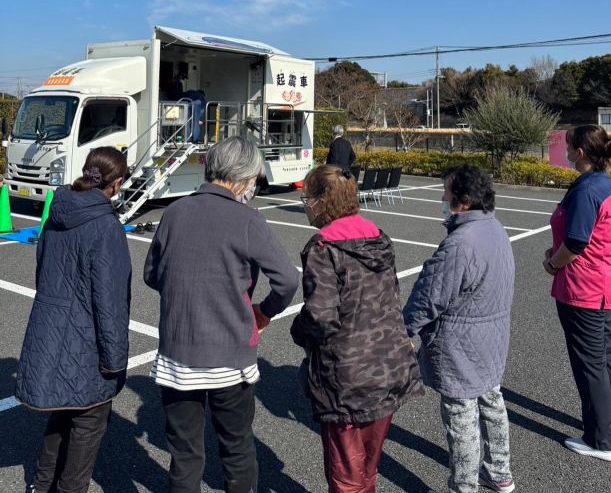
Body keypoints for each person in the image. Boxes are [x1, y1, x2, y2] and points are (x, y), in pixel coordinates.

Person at [144, 136, 299, 493]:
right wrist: (264, 310)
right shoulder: (246, 218)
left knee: (184, 454)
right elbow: (288, 279)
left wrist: (187, 290)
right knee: (237, 448)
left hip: (178, 355)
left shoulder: (174, 212)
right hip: (230, 355)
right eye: (255, 180)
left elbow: (152, 275)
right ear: (244, 178)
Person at [290, 164, 423, 493]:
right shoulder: (379, 238)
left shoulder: (324, 249)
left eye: (307, 198)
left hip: (349, 379)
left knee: (347, 477)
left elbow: (320, 316)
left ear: (323, 201)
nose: (305, 205)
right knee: (367, 468)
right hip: (391, 365)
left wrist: (298, 331)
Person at [16, 147, 132, 493]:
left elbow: (43, 272)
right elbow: (110, 304)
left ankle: (40, 485)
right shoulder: (105, 227)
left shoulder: (57, 213)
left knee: (61, 410)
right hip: (86, 343)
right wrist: (115, 361)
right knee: (88, 420)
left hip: (51, 329)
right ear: (118, 183)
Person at [403, 164, 515, 493]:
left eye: (447, 192)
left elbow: (427, 298)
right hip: (491, 338)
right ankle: (499, 472)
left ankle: (463, 486)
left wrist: (404, 330)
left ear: (464, 201)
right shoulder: (496, 229)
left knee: (461, 415)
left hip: (459, 344)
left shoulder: (460, 244)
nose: (442, 197)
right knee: (492, 402)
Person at [543, 125, 611, 461]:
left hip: (584, 288)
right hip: (603, 284)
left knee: (589, 364)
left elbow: (577, 242)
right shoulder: (603, 182)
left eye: (569, 146)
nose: (565, 150)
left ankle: (601, 440)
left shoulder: (586, 190)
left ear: (580, 152)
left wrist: (553, 263)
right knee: (604, 358)